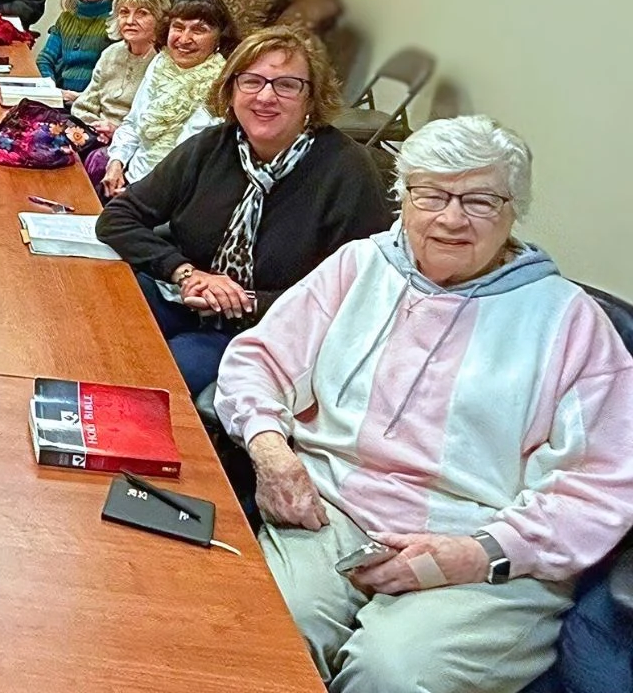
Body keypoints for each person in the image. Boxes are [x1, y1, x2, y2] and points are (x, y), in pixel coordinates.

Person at [215, 117, 633, 693]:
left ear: (513, 210)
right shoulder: (360, 266)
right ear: (404, 198)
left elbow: (605, 483)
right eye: (431, 194)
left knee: (391, 672)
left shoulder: (569, 320)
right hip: (331, 512)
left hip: (484, 545)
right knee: (261, 631)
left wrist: (479, 552)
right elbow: (259, 361)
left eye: (479, 200)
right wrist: (270, 450)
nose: (452, 219)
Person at [97, 25, 392, 395]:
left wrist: (245, 301)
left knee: (157, 377)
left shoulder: (346, 170)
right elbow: (117, 218)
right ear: (231, 90)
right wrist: (185, 273)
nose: (265, 96)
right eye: (251, 81)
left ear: (311, 98)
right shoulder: (211, 147)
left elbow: (360, 286)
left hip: (268, 329)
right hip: (182, 297)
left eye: (287, 85)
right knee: (99, 323)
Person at [103, 0, 238, 191]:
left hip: (175, 192)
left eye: (199, 30)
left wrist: (141, 194)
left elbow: (190, 158)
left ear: (220, 38)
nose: (184, 39)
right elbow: (133, 123)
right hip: (134, 178)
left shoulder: (223, 84)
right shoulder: (161, 63)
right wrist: (116, 162)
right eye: (178, 27)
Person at [73, 0, 175, 137]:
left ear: (161, 18)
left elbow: (158, 126)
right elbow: (82, 107)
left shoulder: (166, 62)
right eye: (124, 12)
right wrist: (96, 129)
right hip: (94, 134)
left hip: (131, 142)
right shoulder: (111, 53)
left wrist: (116, 132)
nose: (130, 21)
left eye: (142, 13)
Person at [36, 0, 118, 94]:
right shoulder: (66, 17)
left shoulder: (116, 21)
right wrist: (52, 90)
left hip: (93, 103)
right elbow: (45, 59)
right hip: (60, 97)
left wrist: (80, 98)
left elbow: (115, 79)